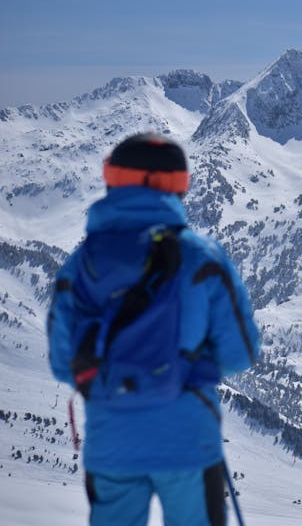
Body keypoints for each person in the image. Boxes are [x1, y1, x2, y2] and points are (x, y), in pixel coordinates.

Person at [47, 133, 259, 526]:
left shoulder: (80, 265)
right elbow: (241, 352)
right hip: (188, 443)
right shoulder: (203, 258)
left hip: (111, 444)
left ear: (114, 181)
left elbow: (64, 364)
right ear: (175, 186)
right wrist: (188, 366)